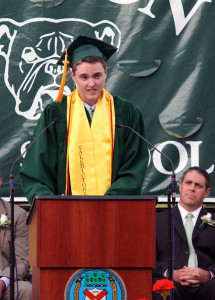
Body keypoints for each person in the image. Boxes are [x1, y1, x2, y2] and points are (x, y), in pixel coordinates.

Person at [19, 35, 149, 203]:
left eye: (97, 75)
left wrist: (109, 201)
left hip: (114, 212)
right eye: (84, 77)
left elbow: (134, 167)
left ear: (106, 72)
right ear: (73, 76)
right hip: (66, 215)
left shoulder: (126, 112)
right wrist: (52, 205)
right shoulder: (56, 114)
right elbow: (37, 170)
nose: (91, 84)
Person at [152, 166, 215, 300]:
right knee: (162, 289)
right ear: (180, 186)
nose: (192, 188)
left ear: (207, 192)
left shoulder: (213, 221)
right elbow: (147, 259)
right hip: (171, 283)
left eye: (198, 185)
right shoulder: (157, 220)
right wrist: (171, 273)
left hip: (209, 285)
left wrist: (209, 274)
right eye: (188, 183)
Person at [0, 177, 32, 299]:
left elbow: (21, 260)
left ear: (0, 182)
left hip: (4, 280)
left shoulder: (16, 215)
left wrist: (3, 282)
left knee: (26, 290)